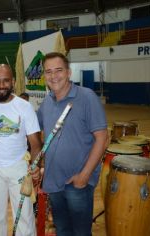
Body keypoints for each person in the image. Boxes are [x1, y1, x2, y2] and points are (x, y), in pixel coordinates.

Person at [37, 52, 108, 236]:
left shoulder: (87, 97)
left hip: (77, 183)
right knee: (62, 230)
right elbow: (32, 132)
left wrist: (84, 176)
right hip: (54, 182)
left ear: (68, 72)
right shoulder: (46, 102)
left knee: (81, 232)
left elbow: (102, 138)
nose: (53, 76)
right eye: (48, 72)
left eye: (58, 70)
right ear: (44, 76)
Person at [0, 64, 42, 236]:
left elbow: (35, 143)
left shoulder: (24, 106)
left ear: (13, 82)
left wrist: (35, 166)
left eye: (6, 81)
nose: (1, 85)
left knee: (24, 218)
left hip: (19, 169)